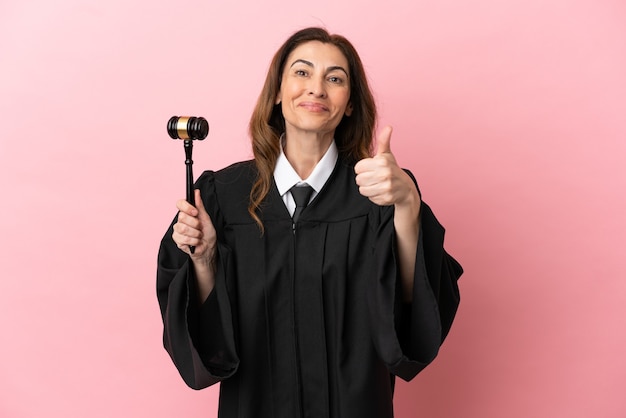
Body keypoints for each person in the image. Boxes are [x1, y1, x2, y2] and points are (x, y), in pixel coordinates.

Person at [157, 27, 463, 418]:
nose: (316, 88)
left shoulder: (381, 192)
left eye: (334, 78)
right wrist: (204, 261)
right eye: (302, 73)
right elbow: (203, 344)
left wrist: (407, 206)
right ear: (278, 92)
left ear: (350, 103)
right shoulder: (222, 196)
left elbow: (414, 309)